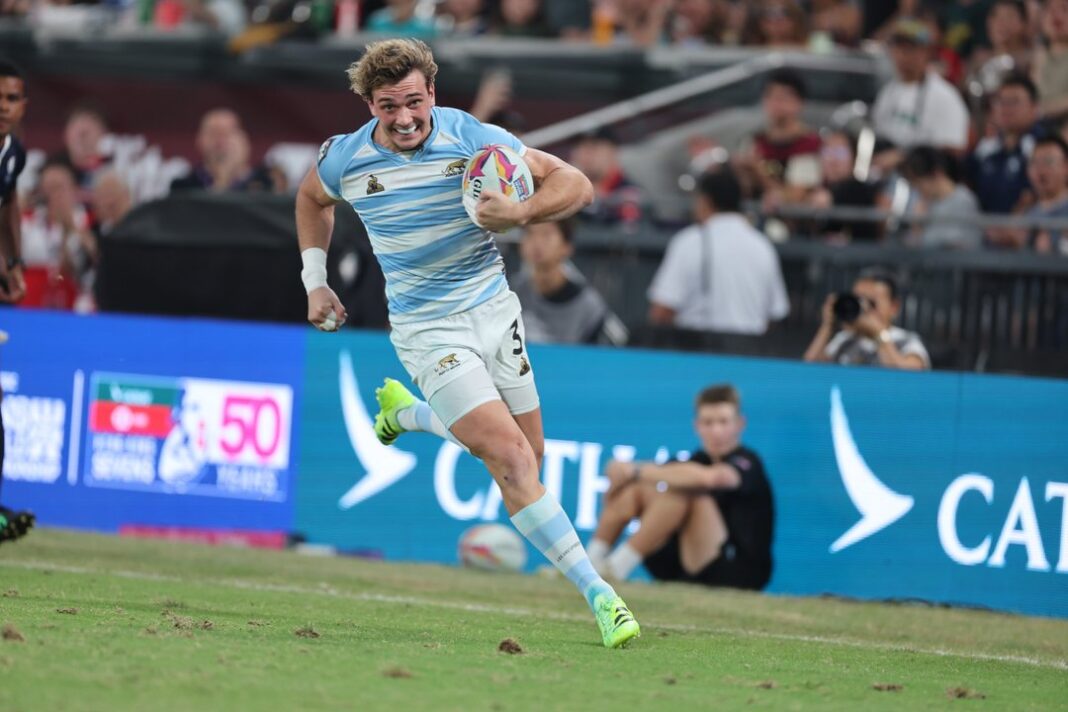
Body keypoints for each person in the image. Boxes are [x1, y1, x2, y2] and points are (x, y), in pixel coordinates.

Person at [294, 39, 639, 649]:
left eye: (413, 101)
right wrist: (315, 281)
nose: (404, 118)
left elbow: (577, 184)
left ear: (432, 91)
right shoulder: (347, 157)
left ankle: (408, 415)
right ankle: (602, 597)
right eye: (387, 106)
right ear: (369, 104)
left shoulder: (474, 138)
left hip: (495, 311)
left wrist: (520, 212)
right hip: (428, 330)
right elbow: (310, 198)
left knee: (530, 456)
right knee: (510, 458)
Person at [588, 384, 773, 590]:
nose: (716, 431)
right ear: (697, 426)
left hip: (736, 571)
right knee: (640, 488)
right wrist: (621, 476)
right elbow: (632, 484)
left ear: (740, 424)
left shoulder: (747, 461)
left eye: (723, 422)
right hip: (682, 563)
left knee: (684, 489)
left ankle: (615, 569)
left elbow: (713, 478)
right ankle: (589, 564)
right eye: (708, 422)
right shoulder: (694, 460)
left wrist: (635, 469)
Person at [647, 167, 790, 335]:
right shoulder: (763, 246)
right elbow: (775, 313)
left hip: (697, 346)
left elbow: (661, 311)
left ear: (705, 201)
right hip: (752, 347)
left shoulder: (689, 242)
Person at [0, 58, 35, 544]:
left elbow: (7, 202)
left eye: (11, 98)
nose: (3, 107)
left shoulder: (13, 154)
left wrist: (14, 261)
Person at [512, 219, 627, 345]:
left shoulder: (589, 307)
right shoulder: (510, 291)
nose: (537, 242)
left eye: (546, 234)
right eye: (530, 233)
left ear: (567, 247)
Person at [871, 18, 971, 152]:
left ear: (926, 52)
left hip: (926, 163)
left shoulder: (945, 95)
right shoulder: (888, 91)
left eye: (910, 49)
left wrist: (905, 156)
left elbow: (954, 148)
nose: (902, 56)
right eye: (898, 48)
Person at [803, 268, 930, 370]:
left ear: (894, 307)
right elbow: (810, 371)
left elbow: (908, 379)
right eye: (858, 301)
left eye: (871, 303)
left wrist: (879, 335)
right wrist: (827, 326)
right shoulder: (845, 340)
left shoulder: (907, 341)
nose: (864, 310)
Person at [735, 68, 822, 206]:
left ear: (799, 103)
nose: (776, 104)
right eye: (770, 97)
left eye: (782, 98)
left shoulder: (810, 144)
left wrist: (758, 172)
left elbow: (795, 196)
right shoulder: (754, 141)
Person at [967, 73, 1043, 215]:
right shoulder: (985, 147)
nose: (1006, 108)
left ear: (1034, 108)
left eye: (1014, 102)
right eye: (1001, 102)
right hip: (982, 224)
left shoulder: (1043, 146)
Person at [170, 108, 278, 193]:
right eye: (213, 132)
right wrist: (221, 182)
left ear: (244, 140)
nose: (221, 139)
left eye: (229, 132)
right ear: (199, 140)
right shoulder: (183, 187)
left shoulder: (267, 184)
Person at [901, 146, 983, 250]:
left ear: (936, 174)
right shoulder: (923, 202)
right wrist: (916, 225)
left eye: (919, 184)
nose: (917, 190)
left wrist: (920, 233)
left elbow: (956, 244)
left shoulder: (964, 201)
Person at [569, 127, 643, 225]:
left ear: (613, 151)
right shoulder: (571, 195)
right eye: (579, 147)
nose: (585, 153)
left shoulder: (630, 194)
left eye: (594, 147)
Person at [1024, 135, 1068, 255]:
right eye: (1034, 163)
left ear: (1066, 167)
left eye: (1048, 162)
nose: (1041, 171)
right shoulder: (1026, 216)